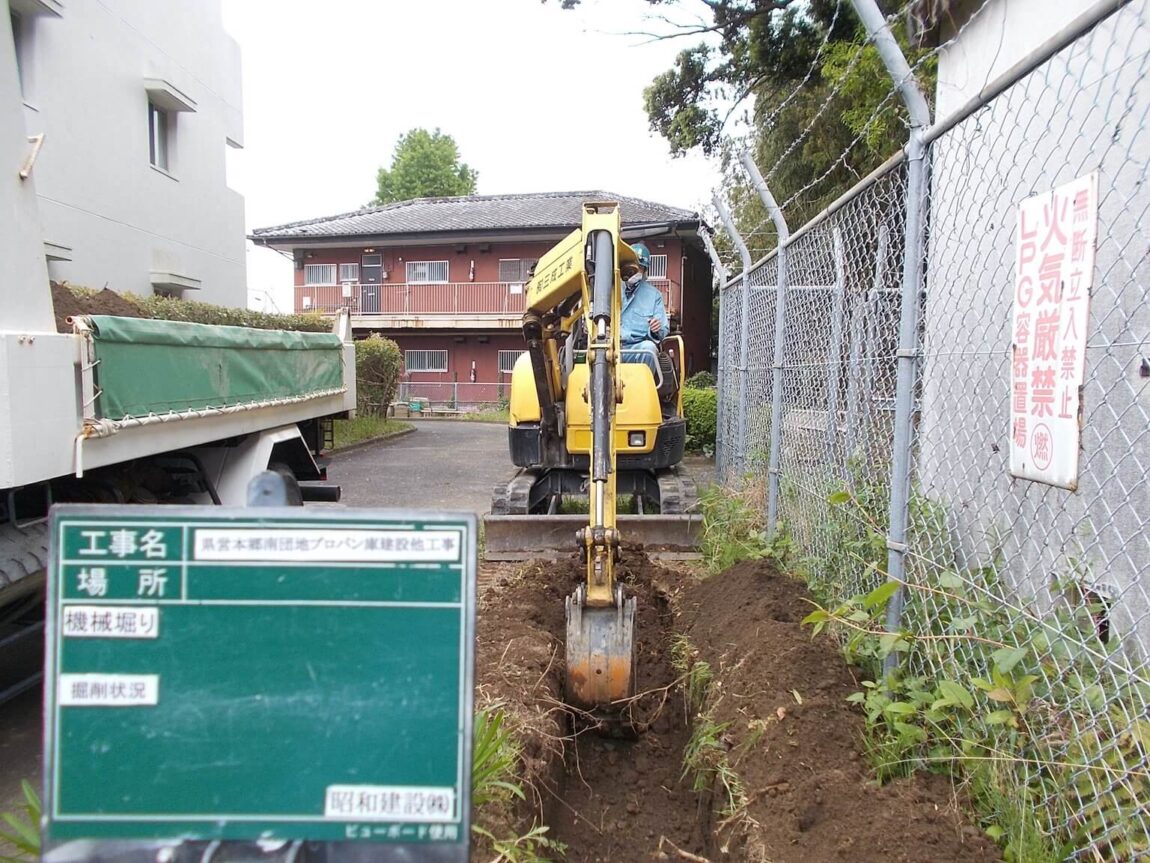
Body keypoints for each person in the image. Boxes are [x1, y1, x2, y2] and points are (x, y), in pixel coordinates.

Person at [619, 242, 669, 380]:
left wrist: (655, 329)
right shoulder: (611, 289)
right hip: (611, 345)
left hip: (637, 347)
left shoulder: (654, 295)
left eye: (640, 268)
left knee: (649, 349)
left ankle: (641, 387)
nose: (635, 272)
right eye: (633, 267)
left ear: (645, 270)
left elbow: (663, 329)